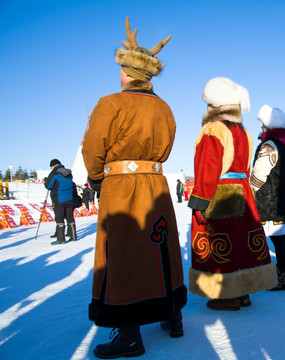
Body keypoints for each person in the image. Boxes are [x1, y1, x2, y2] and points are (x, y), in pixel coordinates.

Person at [81, 18, 186, 359]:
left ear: (126, 72)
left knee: (123, 253)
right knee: (160, 247)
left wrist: (97, 177)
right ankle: (172, 316)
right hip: (155, 183)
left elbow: (92, 149)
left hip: (122, 187)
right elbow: (168, 147)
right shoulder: (164, 107)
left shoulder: (111, 103)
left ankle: (128, 335)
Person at [187, 77, 277, 311]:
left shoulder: (213, 130)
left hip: (219, 194)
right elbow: (245, 168)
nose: (206, 108)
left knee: (221, 244)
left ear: (217, 106)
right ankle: (243, 292)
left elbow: (208, 168)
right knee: (241, 242)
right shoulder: (243, 132)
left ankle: (227, 295)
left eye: (209, 104)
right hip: (242, 193)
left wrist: (199, 203)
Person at [250, 105, 285, 290]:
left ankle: (277, 278)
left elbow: (259, 174)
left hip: (270, 201)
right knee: (282, 240)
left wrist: (250, 190)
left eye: (263, 124)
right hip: (283, 199)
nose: (262, 128)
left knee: (267, 241)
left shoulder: (270, 144)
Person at [44, 159, 76, 244]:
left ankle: (61, 239)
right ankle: (73, 236)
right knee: (70, 217)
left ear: (53, 165)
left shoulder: (54, 173)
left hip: (58, 199)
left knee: (59, 218)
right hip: (69, 198)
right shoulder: (69, 173)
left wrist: (46, 181)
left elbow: (49, 186)